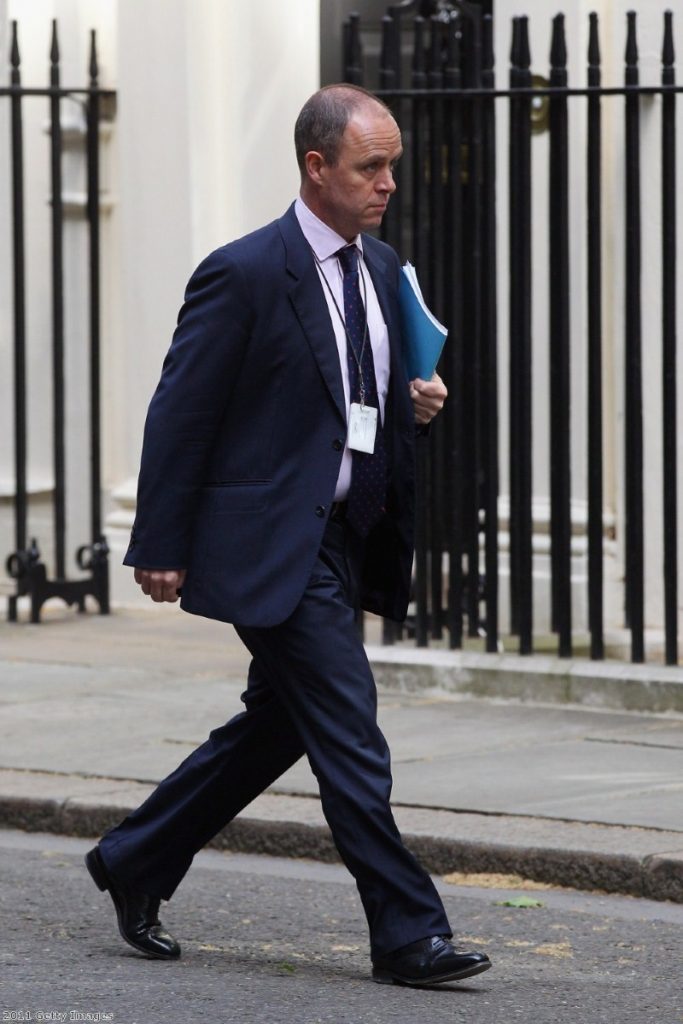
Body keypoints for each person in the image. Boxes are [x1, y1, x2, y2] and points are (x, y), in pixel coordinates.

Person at [85, 83, 491, 988]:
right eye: (369, 167)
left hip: (346, 534)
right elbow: (180, 413)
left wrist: (414, 408)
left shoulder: (383, 269)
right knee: (349, 728)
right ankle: (407, 934)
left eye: (392, 166)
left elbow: (351, 404)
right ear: (316, 167)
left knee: (279, 726)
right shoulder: (244, 270)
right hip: (270, 543)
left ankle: (135, 858)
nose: (387, 183)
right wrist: (159, 538)